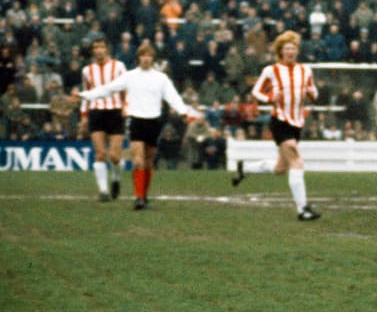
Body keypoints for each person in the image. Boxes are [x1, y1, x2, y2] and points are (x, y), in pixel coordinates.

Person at [74, 41, 202, 209]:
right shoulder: (130, 76)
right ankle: (138, 199)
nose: (146, 59)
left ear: (153, 59)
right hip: (136, 122)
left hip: (154, 121)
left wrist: (184, 112)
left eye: (149, 56)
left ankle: (144, 196)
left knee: (149, 162)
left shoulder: (161, 78)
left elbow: (173, 97)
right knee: (138, 161)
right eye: (143, 55)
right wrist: (84, 95)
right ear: (138, 58)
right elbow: (107, 89)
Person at [231, 30, 320, 220]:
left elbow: (314, 92)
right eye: (287, 48)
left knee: (281, 168)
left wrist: (312, 94)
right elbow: (256, 92)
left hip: (297, 123)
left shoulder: (306, 70)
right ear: (280, 51)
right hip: (279, 121)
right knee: (297, 161)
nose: (291, 51)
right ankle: (303, 209)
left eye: (293, 48)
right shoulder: (271, 70)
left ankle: (244, 168)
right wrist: (271, 97)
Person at [78, 38, 127, 201]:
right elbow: (86, 93)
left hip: (115, 112)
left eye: (102, 47)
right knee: (100, 154)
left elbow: (126, 88)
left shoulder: (118, 66)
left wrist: (127, 106)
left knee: (114, 156)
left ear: (107, 49)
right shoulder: (87, 70)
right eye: (96, 47)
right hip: (96, 112)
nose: (99, 50)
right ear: (93, 51)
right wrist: (84, 116)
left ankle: (116, 178)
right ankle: (103, 191)